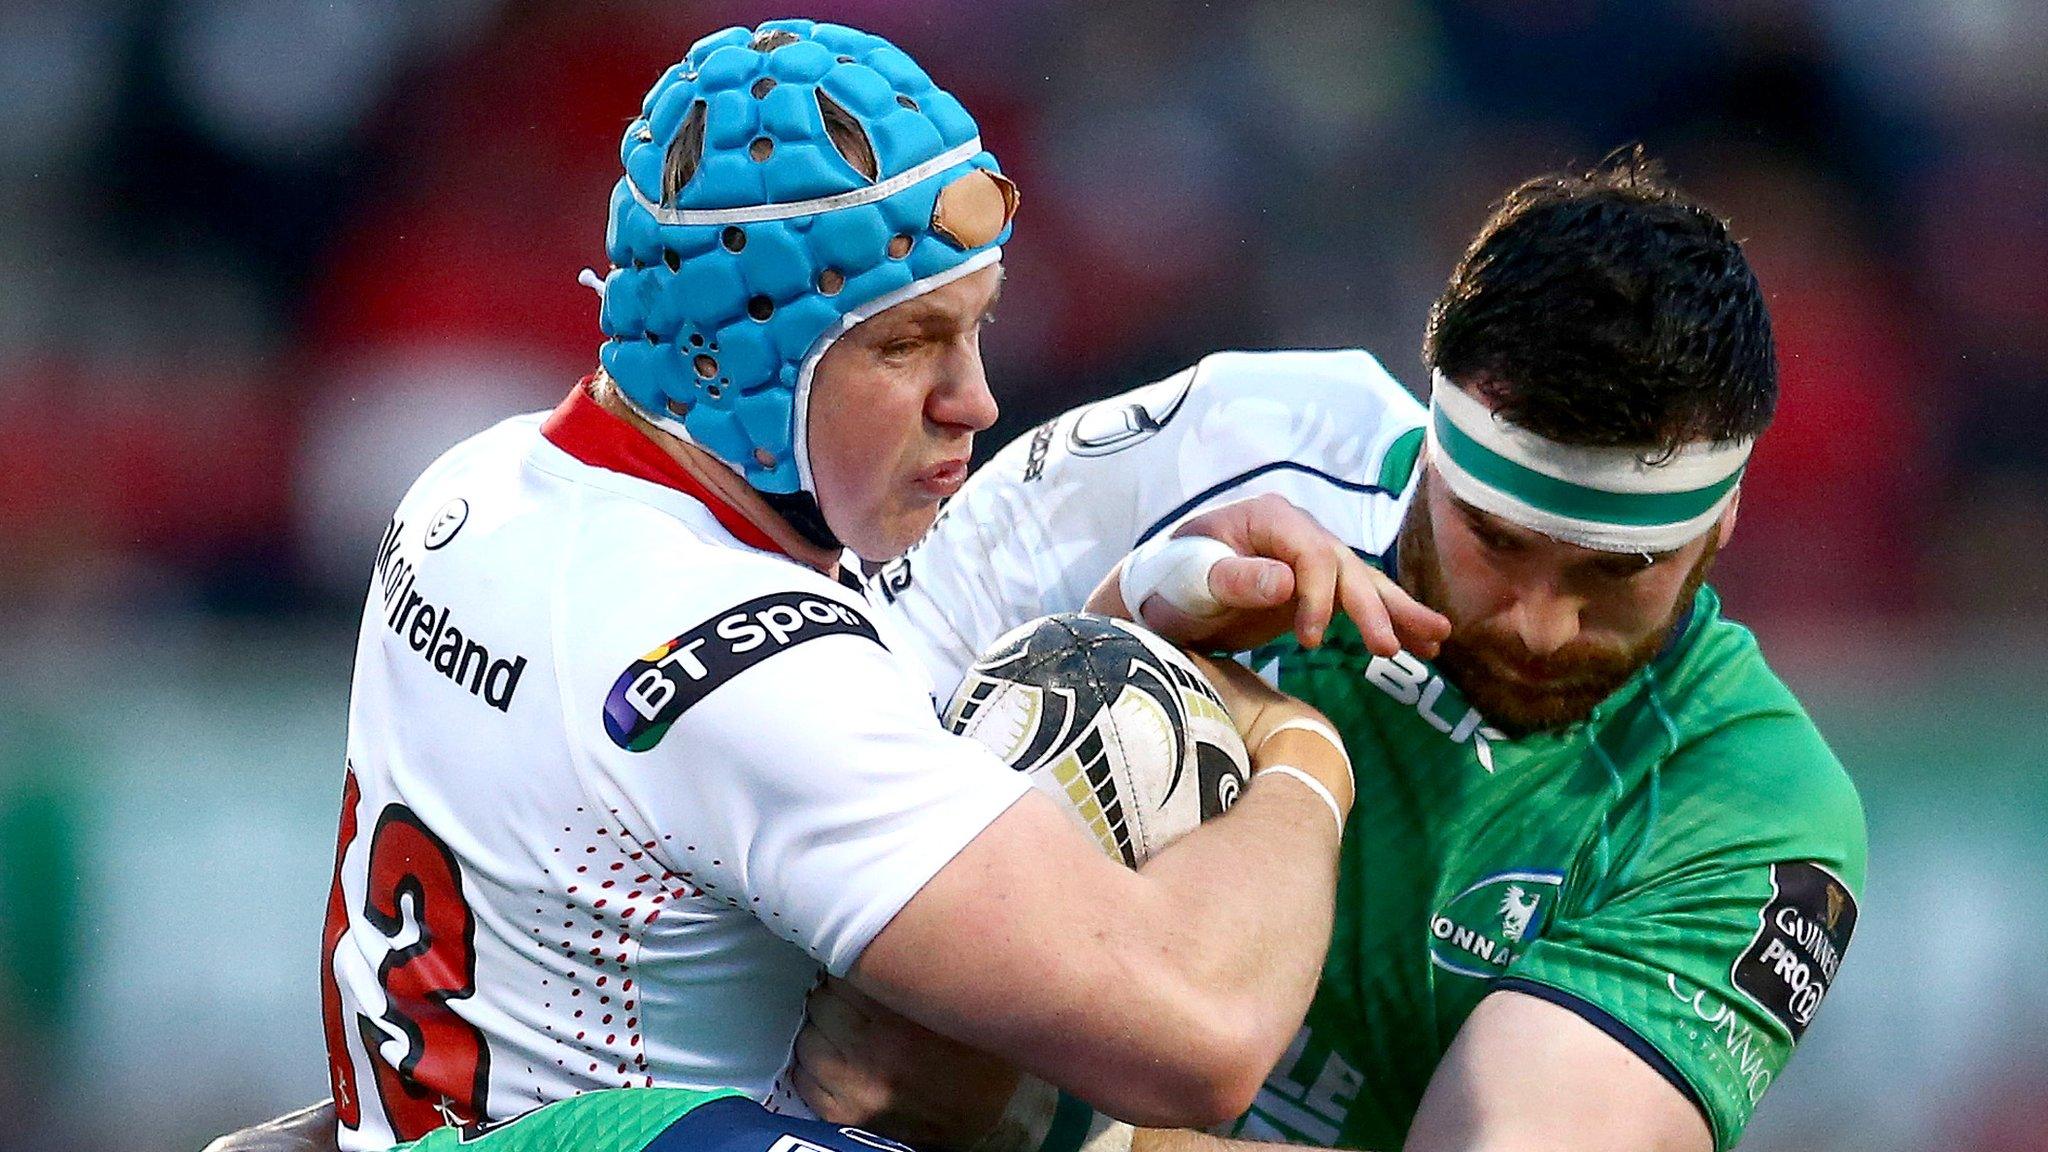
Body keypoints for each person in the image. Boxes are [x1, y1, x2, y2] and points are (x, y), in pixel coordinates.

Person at [318, 19, 1382, 1152]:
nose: (972, 401)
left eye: (976, 329)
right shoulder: (739, 661)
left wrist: (1142, 602)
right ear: (729, 359)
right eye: (905, 346)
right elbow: (1203, 1038)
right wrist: (1303, 748)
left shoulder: (479, 481)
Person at [800, 155, 1867, 1152]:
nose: (1538, 623)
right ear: (1436, 455)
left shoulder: (1751, 815)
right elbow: (810, 774)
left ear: (1718, 525)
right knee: (1096, 696)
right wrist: (1131, 611)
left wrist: (1292, 750)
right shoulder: (1222, 445)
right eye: (1492, 541)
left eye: (1613, 572)